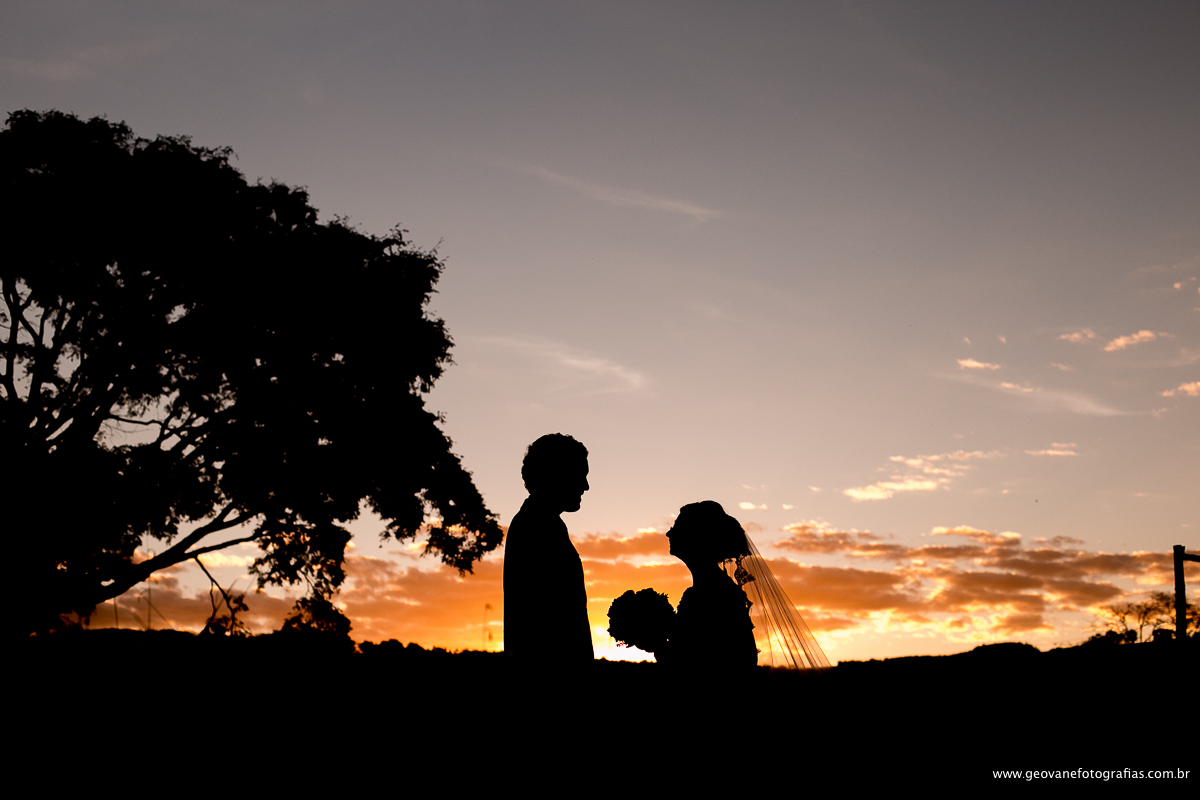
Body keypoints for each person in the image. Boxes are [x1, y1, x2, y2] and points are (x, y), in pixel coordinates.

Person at [503, 433, 594, 667]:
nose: (585, 486)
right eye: (579, 476)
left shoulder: (541, 522)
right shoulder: (536, 526)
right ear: (557, 475)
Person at [663, 501, 759, 672]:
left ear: (698, 537)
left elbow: (739, 658)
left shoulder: (717, 593)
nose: (668, 533)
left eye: (677, 528)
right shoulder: (705, 588)